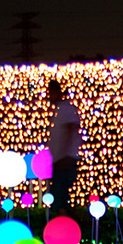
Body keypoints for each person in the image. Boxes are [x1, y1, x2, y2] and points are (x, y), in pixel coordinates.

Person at [47, 79, 81, 214]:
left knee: (60, 195)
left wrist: (64, 155)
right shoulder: (60, 111)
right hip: (59, 159)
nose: (49, 96)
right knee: (60, 196)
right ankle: (65, 221)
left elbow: (70, 130)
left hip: (64, 160)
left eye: (50, 93)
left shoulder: (66, 109)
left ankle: (65, 223)